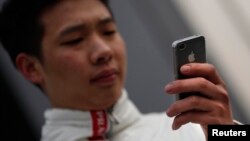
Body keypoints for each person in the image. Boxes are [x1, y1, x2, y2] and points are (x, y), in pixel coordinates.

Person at [0, 0, 236, 140]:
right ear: (31, 67)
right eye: (74, 39)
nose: (103, 51)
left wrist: (227, 132)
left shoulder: (192, 130)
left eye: (108, 31)